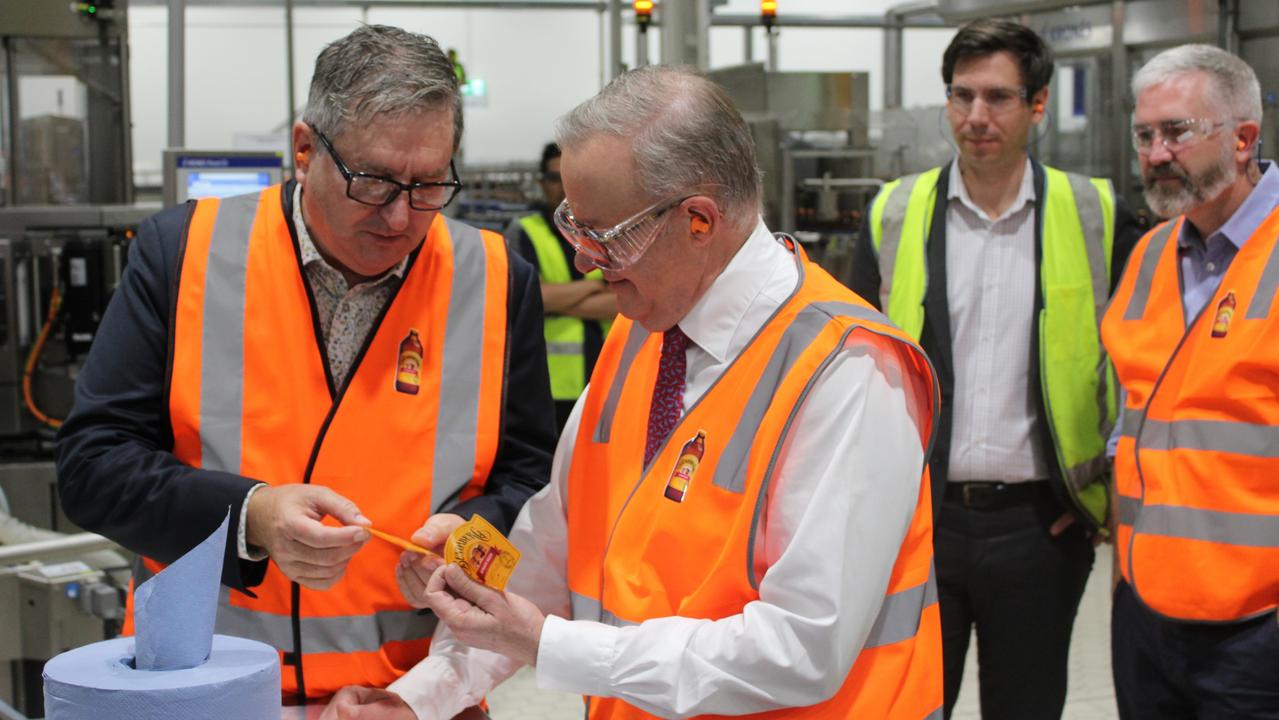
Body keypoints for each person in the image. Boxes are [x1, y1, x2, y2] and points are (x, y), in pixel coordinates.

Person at [324, 65, 944, 720]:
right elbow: (546, 557)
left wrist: (547, 643)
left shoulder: (846, 373)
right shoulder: (640, 335)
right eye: (572, 224)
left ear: (698, 220)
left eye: (605, 233)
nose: (586, 259)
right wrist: (418, 697)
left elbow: (799, 650)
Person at [55, 25, 555, 703]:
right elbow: (92, 465)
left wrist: (473, 531)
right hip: (206, 687)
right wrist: (250, 515)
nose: (402, 216)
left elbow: (532, 478)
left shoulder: (495, 279)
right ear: (304, 149)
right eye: (375, 182)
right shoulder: (184, 255)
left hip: (410, 693)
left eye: (430, 184)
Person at [850, 18, 1142, 720]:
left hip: (1040, 526)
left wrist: (1099, 497)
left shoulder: (1096, 214)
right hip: (917, 523)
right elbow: (850, 370)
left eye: (997, 97)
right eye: (961, 95)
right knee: (907, 706)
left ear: (1036, 104)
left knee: (1026, 705)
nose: (975, 116)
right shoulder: (893, 212)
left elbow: (1141, 367)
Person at [1102, 44, 1279, 718]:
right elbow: (1135, 428)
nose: (1154, 153)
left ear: (1240, 140)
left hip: (1255, 633)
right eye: (1143, 135)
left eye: (1176, 132)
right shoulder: (1149, 254)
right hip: (1146, 615)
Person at [506, 142, 617, 431]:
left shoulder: (606, 231)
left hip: (604, 376)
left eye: (569, 178)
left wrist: (556, 299)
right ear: (542, 183)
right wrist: (592, 288)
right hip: (547, 384)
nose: (562, 187)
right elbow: (530, 297)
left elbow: (619, 303)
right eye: (555, 178)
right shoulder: (525, 232)